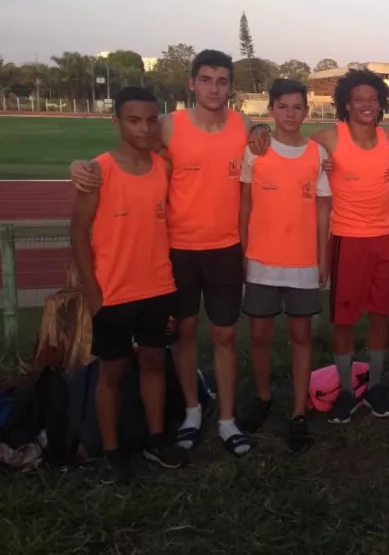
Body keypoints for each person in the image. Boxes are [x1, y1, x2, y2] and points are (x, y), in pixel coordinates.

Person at [70, 50, 271, 457]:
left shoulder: (242, 124)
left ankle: (228, 421)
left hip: (225, 248)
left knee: (225, 334)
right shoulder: (168, 125)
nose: (214, 88)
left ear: (230, 87)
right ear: (192, 84)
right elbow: (128, 147)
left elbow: (264, 134)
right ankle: (193, 412)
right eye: (206, 79)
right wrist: (79, 165)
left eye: (222, 81)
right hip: (176, 250)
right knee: (182, 334)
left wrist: (263, 126)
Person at [69, 87, 187, 483]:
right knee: (112, 373)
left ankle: (155, 439)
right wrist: (93, 294)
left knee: (154, 363)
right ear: (116, 121)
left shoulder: (163, 167)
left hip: (157, 286)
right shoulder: (99, 171)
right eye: (134, 120)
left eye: (152, 119)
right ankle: (112, 449)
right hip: (114, 293)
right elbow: (78, 234)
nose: (144, 127)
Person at [237, 78, 331, 451]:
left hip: (303, 261)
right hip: (261, 259)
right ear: (271, 109)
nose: (290, 114)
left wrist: (323, 256)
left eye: (298, 107)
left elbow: (324, 207)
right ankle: (262, 398)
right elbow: (244, 203)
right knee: (260, 335)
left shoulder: (316, 154)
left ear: (306, 111)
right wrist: (245, 248)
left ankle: (297, 412)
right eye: (283, 107)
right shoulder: (255, 151)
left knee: (301, 336)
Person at [310, 68, 389, 423]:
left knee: (380, 316)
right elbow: (289, 148)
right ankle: (347, 391)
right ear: (346, 104)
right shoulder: (329, 138)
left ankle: (374, 386)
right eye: (359, 99)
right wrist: (260, 132)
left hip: (384, 238)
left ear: (380, 104)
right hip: (347, 239)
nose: (366, 105)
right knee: (344, 321)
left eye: (372, 99)